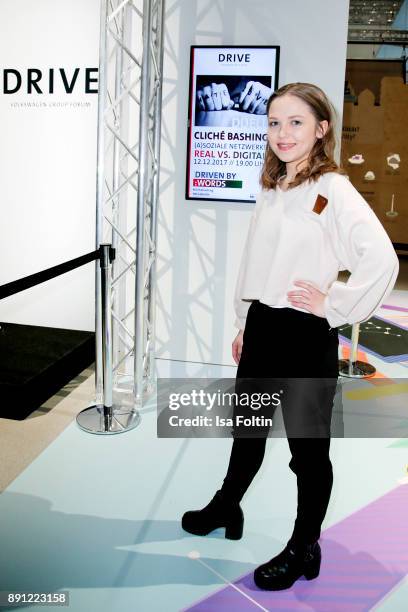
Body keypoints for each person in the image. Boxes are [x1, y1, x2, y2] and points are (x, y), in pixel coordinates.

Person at [181, 82, 399, 591]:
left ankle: (304, 545)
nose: (282, 133)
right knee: (247, 431)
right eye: (274, 122)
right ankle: (226, 505)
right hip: (263, 328)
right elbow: (255, 260)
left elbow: (382, 260)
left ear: (322, 129)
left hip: (305, 334)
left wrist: (334, 305)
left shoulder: (334, 190)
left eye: (296, 122)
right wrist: (243, 321)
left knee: (307, 451)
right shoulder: (275, 187)